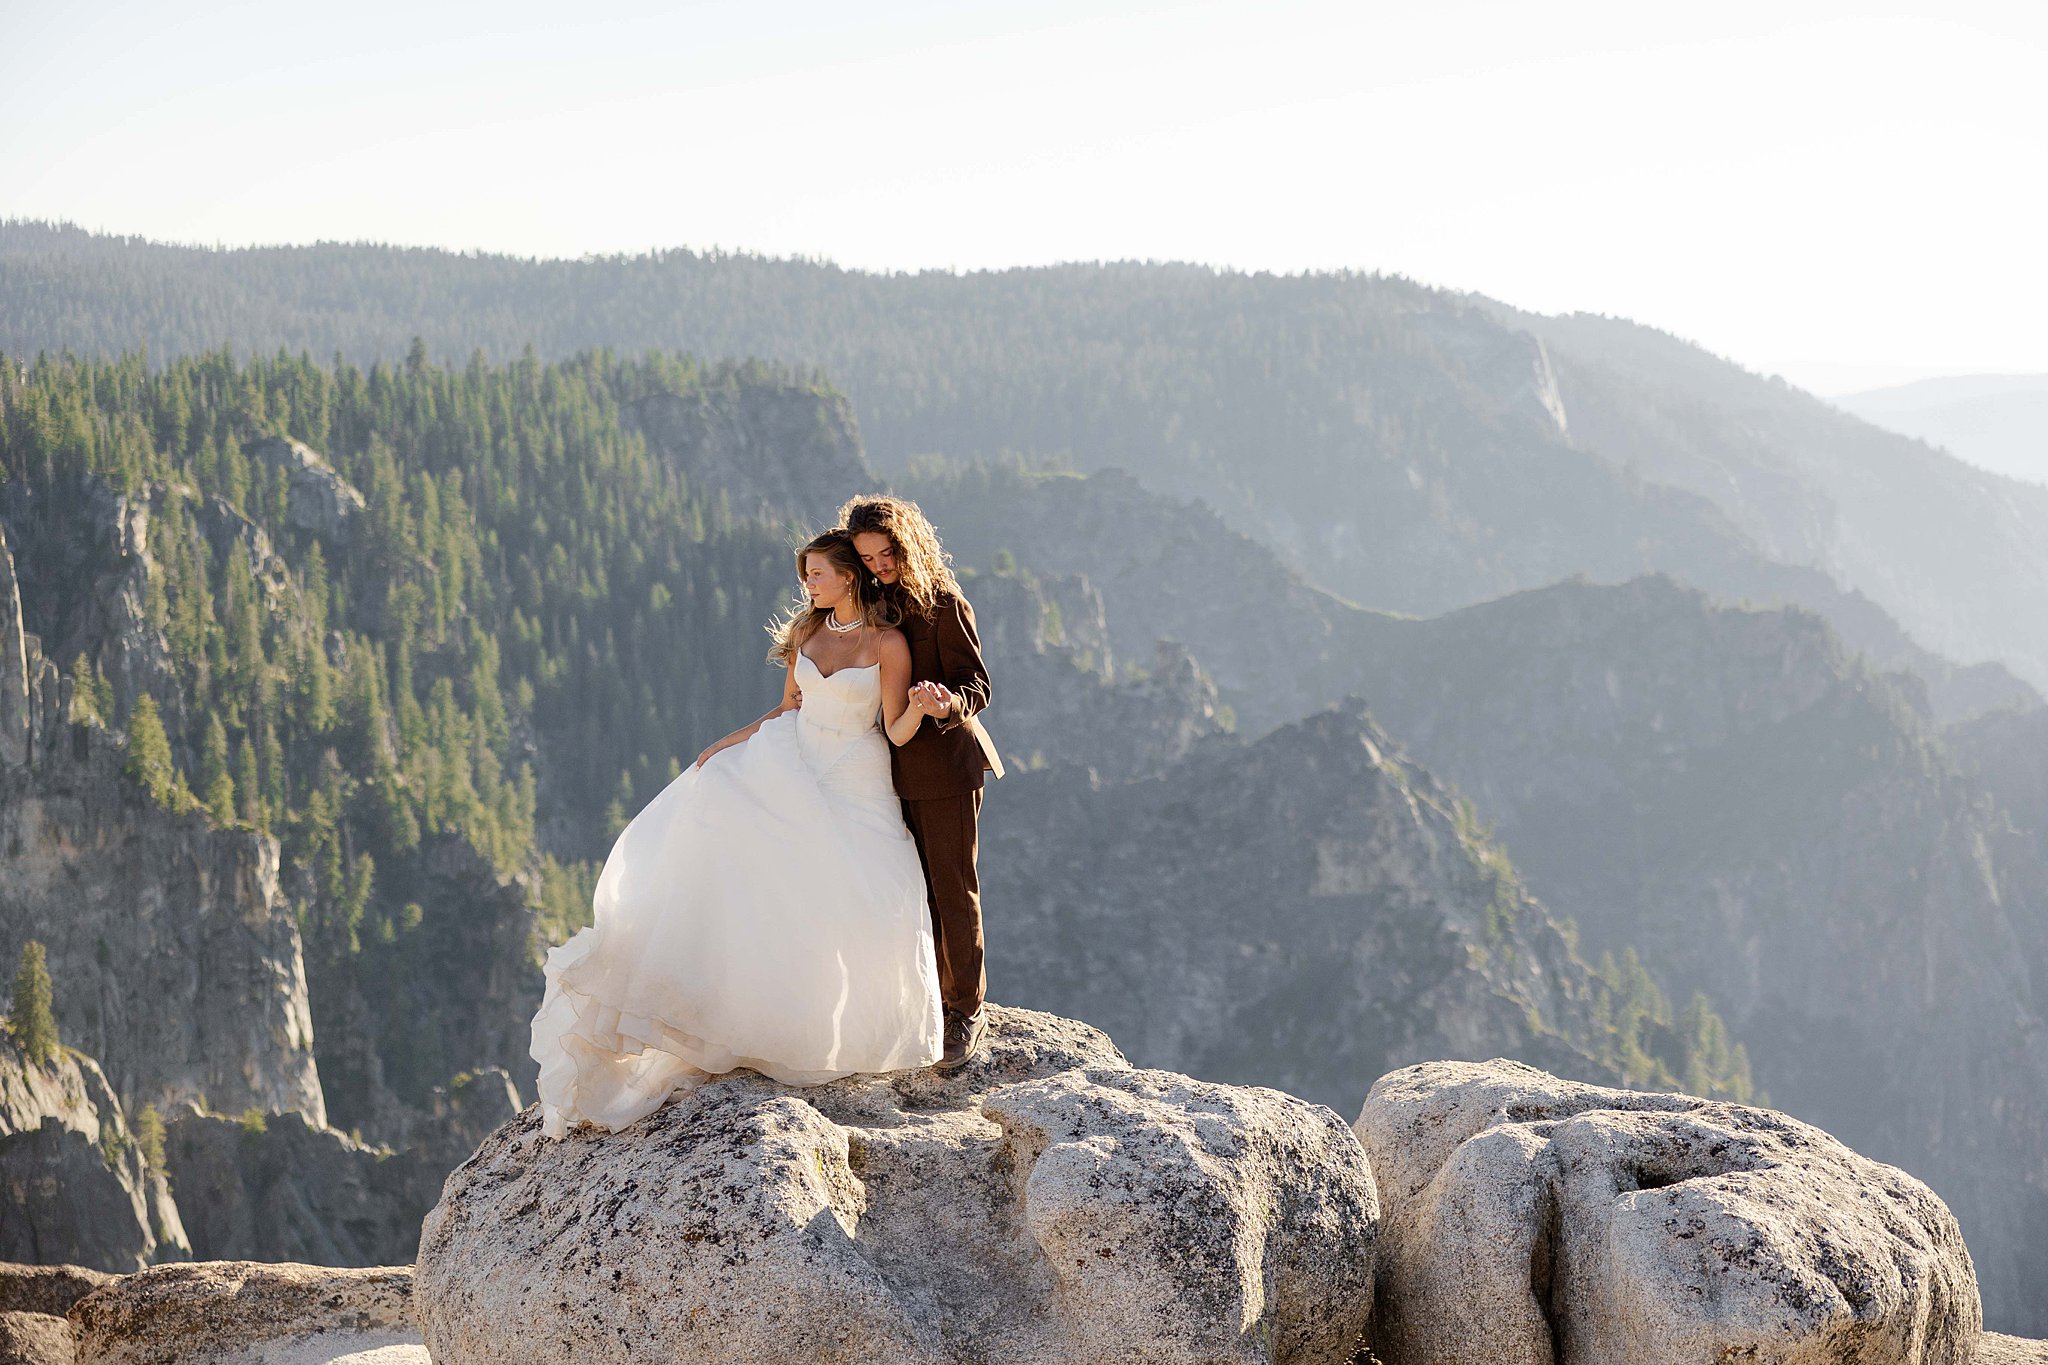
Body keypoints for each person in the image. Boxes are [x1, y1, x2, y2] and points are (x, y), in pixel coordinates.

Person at [528, 531, 945, 1137]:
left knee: (865, 895)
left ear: (849, 577)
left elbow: (897, 732)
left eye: (818, 574)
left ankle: (853, 1038)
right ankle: (758, 1020)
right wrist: (723, 746)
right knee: (754, 866)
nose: (809, 585)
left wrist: (926, 709)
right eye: (805, 576)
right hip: (795, 760)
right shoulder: (807, 632)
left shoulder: (887, 642)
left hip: (856, 774)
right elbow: (788, 708)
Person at [840, 494, 1004, 1071]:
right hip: (887, 773)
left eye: (888, 553)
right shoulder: (871, 604)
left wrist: (945, 704)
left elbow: (977, 685)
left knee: (952, 889)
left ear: (907, 543)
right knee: (910, 891)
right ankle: (927, 997)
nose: (881, 565)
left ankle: (966, 1009)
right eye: (868, 557)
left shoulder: (945, 603)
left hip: (945, 770)